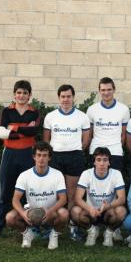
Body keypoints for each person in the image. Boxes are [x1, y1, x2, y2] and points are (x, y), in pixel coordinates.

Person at [0, 80, 41, 239]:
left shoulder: (35, 112)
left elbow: (33, 131)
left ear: (29, 95)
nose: (21, 96)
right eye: (18, 92)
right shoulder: (6, 111)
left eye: (25, 93)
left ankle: (34, 227)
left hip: (28, 154)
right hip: (9, 153)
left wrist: (13, 128)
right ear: (14, 94)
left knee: (29, 193)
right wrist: (22, 131)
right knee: (5, 192)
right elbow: (0, 132)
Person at [43, 84, 91, 240]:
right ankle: (52, 226)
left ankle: (72, 226)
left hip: (74, 157)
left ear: (73, 97)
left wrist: (75, 149)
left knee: (71, 195)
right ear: (58, 98)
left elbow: (85, 140)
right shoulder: (50, 116)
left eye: (69, 96)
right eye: (63, 96)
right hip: (55, 157)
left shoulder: (82, 116)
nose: (66, 99)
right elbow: (46, 139)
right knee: (54, 196)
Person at [5, 141, 69, 250]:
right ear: (34, 157)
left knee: (64, 214)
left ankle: (53, 235)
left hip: (50, 212)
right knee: (10, 217)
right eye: (38, 155)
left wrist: (50, 211)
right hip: (31, 212)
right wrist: (23, 213)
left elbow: (63, 199)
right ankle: (27, 234)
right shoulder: (24, 175)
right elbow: (15, 199)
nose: (41, 159)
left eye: (44, 155)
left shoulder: (57, 174)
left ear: (49, 158)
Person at [71, 147, 127, 247]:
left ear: (109, 162)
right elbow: (78, 198)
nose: (102, 163)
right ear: (94, 162)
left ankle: (109, 233)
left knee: (121, 211)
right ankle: (92, 231)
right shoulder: (86, 174)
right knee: (75, 211)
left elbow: (122, 198)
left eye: (105, 160)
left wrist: (108, 206)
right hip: (91, 212)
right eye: (99, 160)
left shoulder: (116, 174)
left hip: (108, 211)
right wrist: (90, 208)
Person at [86, 77, 130, 172]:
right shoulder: (91, 109)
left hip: (116, 151)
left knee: (114, 183)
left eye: (109, 89)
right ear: (99, 91)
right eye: (103, 90)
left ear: (114, 90)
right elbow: (89, 134)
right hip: (95, 150)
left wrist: (118, 146)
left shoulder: (124, 109)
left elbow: (124, 135)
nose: (106, 93)